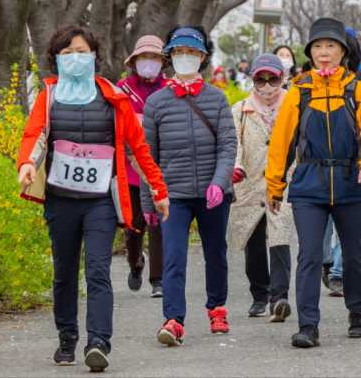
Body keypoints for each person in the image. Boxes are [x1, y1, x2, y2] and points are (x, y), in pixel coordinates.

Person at [16, 25, 170, 372]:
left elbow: (138, 149)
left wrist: (158, 190)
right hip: (61, 199)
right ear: (55, 59)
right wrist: (27, 163)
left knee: (98, 270)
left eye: (81, 52)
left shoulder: (114, 97)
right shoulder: (49, 95)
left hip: (99, 199)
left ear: (95, 56)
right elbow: (34, 133)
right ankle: (67, 338)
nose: (75, 59)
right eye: (67, 54)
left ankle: (98, 342)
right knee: (64, 272)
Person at [265, 18, 361, 349]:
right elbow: (281, 143)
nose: (324, 53)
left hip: (351, 182)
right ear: (310, 52)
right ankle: (308, 325)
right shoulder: (299, 91)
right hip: (309, 184)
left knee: (354, 253)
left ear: (343, 52)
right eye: (318, 47)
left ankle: (356, 311)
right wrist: (274, 186)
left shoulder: (358, 89)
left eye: (331, 46)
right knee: (309, 255)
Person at [142, 26, 237, 347]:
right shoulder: (156, 103)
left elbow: (228, 146)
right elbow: (147, 158)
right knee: (173, 257)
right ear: (170, 58)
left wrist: (219, 183)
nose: (186, 59)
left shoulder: (217, 98)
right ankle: (173, 319)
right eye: (180, 53)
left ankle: (217, 308)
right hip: (173, 196)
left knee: (216, 253)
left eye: (192, 54)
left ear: (203, 58)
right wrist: (148, 202)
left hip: (213, 195)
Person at [229, 55, 294, 322]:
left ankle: (279, 297)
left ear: (283, 78)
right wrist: (234, 167)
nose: (267, 86)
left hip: (284, 181)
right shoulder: (240, 109)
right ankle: (259, 294)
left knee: (280, 238)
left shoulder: (293, 105)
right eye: (260, 80)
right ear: (253, 80)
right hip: (249, 180)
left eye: (273, 79)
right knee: (253, 240)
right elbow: (233, 142)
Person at [118, 35, 169, 298]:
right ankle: (135, 263)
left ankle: (158, 279)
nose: (149, 62)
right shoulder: (122, 89)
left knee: (159, 222)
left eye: (154, 58)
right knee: (135, 223)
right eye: (143, 58)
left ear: (162, 61)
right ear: (134, 61)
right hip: (130, 169)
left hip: (160, 167)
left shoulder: (170, 89)